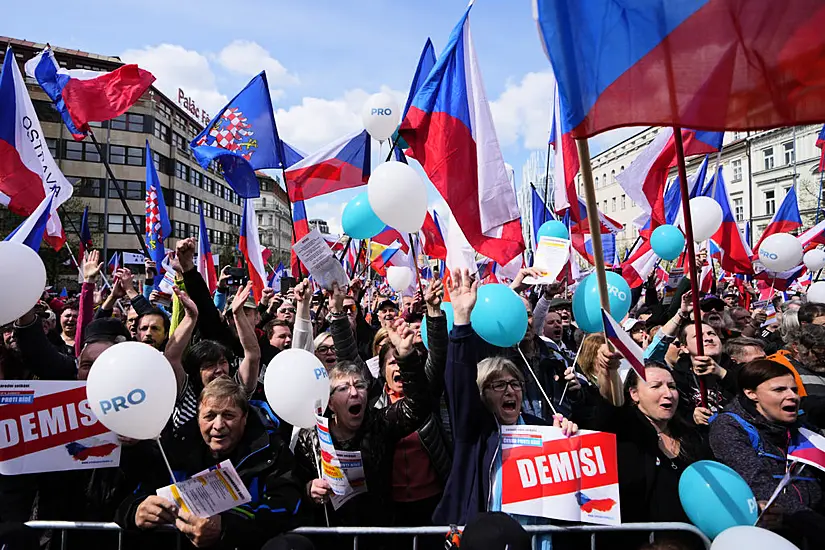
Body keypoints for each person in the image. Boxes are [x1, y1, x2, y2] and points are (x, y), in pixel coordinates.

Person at [433, 268, 577, 550]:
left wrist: (566, 437)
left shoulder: (542, 428)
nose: (510, 390)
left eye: (515, 384)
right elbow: (460, 385)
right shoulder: (474, 432)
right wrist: (461, 322)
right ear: (483, 395)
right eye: (498, 385)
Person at [120, 378, 306, 550]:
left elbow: (288, 506)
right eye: (209, 416)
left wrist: (226, 526)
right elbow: (128, 501)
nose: (218, 425)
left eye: (228, 415)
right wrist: (136, 511)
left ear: (245, 417)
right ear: (198, 417)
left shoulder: (271, 450)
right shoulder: (176, 448)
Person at [292, 318, 431, 544]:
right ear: (330, 403)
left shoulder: (380, 425)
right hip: (330, 538)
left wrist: (406, 357)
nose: (354, 393)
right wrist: (308, 489)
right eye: (343, 388)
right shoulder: (312, 437)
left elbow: (418, 406)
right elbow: (292, 483)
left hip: (379, 537)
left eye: (359, 385)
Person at [588, 348, 712, 549]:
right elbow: (610, 406)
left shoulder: (692, 435)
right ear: (634, 394)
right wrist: (608, 370)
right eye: (656, 386)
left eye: (672, 386)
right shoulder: (624, 432)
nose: (668, 393)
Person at [709, 360, 825, 546]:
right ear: (751, 393)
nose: (792, 396)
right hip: (771, 537)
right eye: (779, 390)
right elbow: (759, 484)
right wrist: (815, 525)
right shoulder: (729, 427)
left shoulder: (801, 428)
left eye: (794, 390)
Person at [372, 279, 451, 543]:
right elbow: (348, 356)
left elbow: (438, 354)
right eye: (391, 362)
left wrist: (434, 312)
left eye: (402, 362)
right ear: (382, 369)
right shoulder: (373, 405)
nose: (398, 369)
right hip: (391, 504)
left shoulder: (424, 391)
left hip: (433, 500)